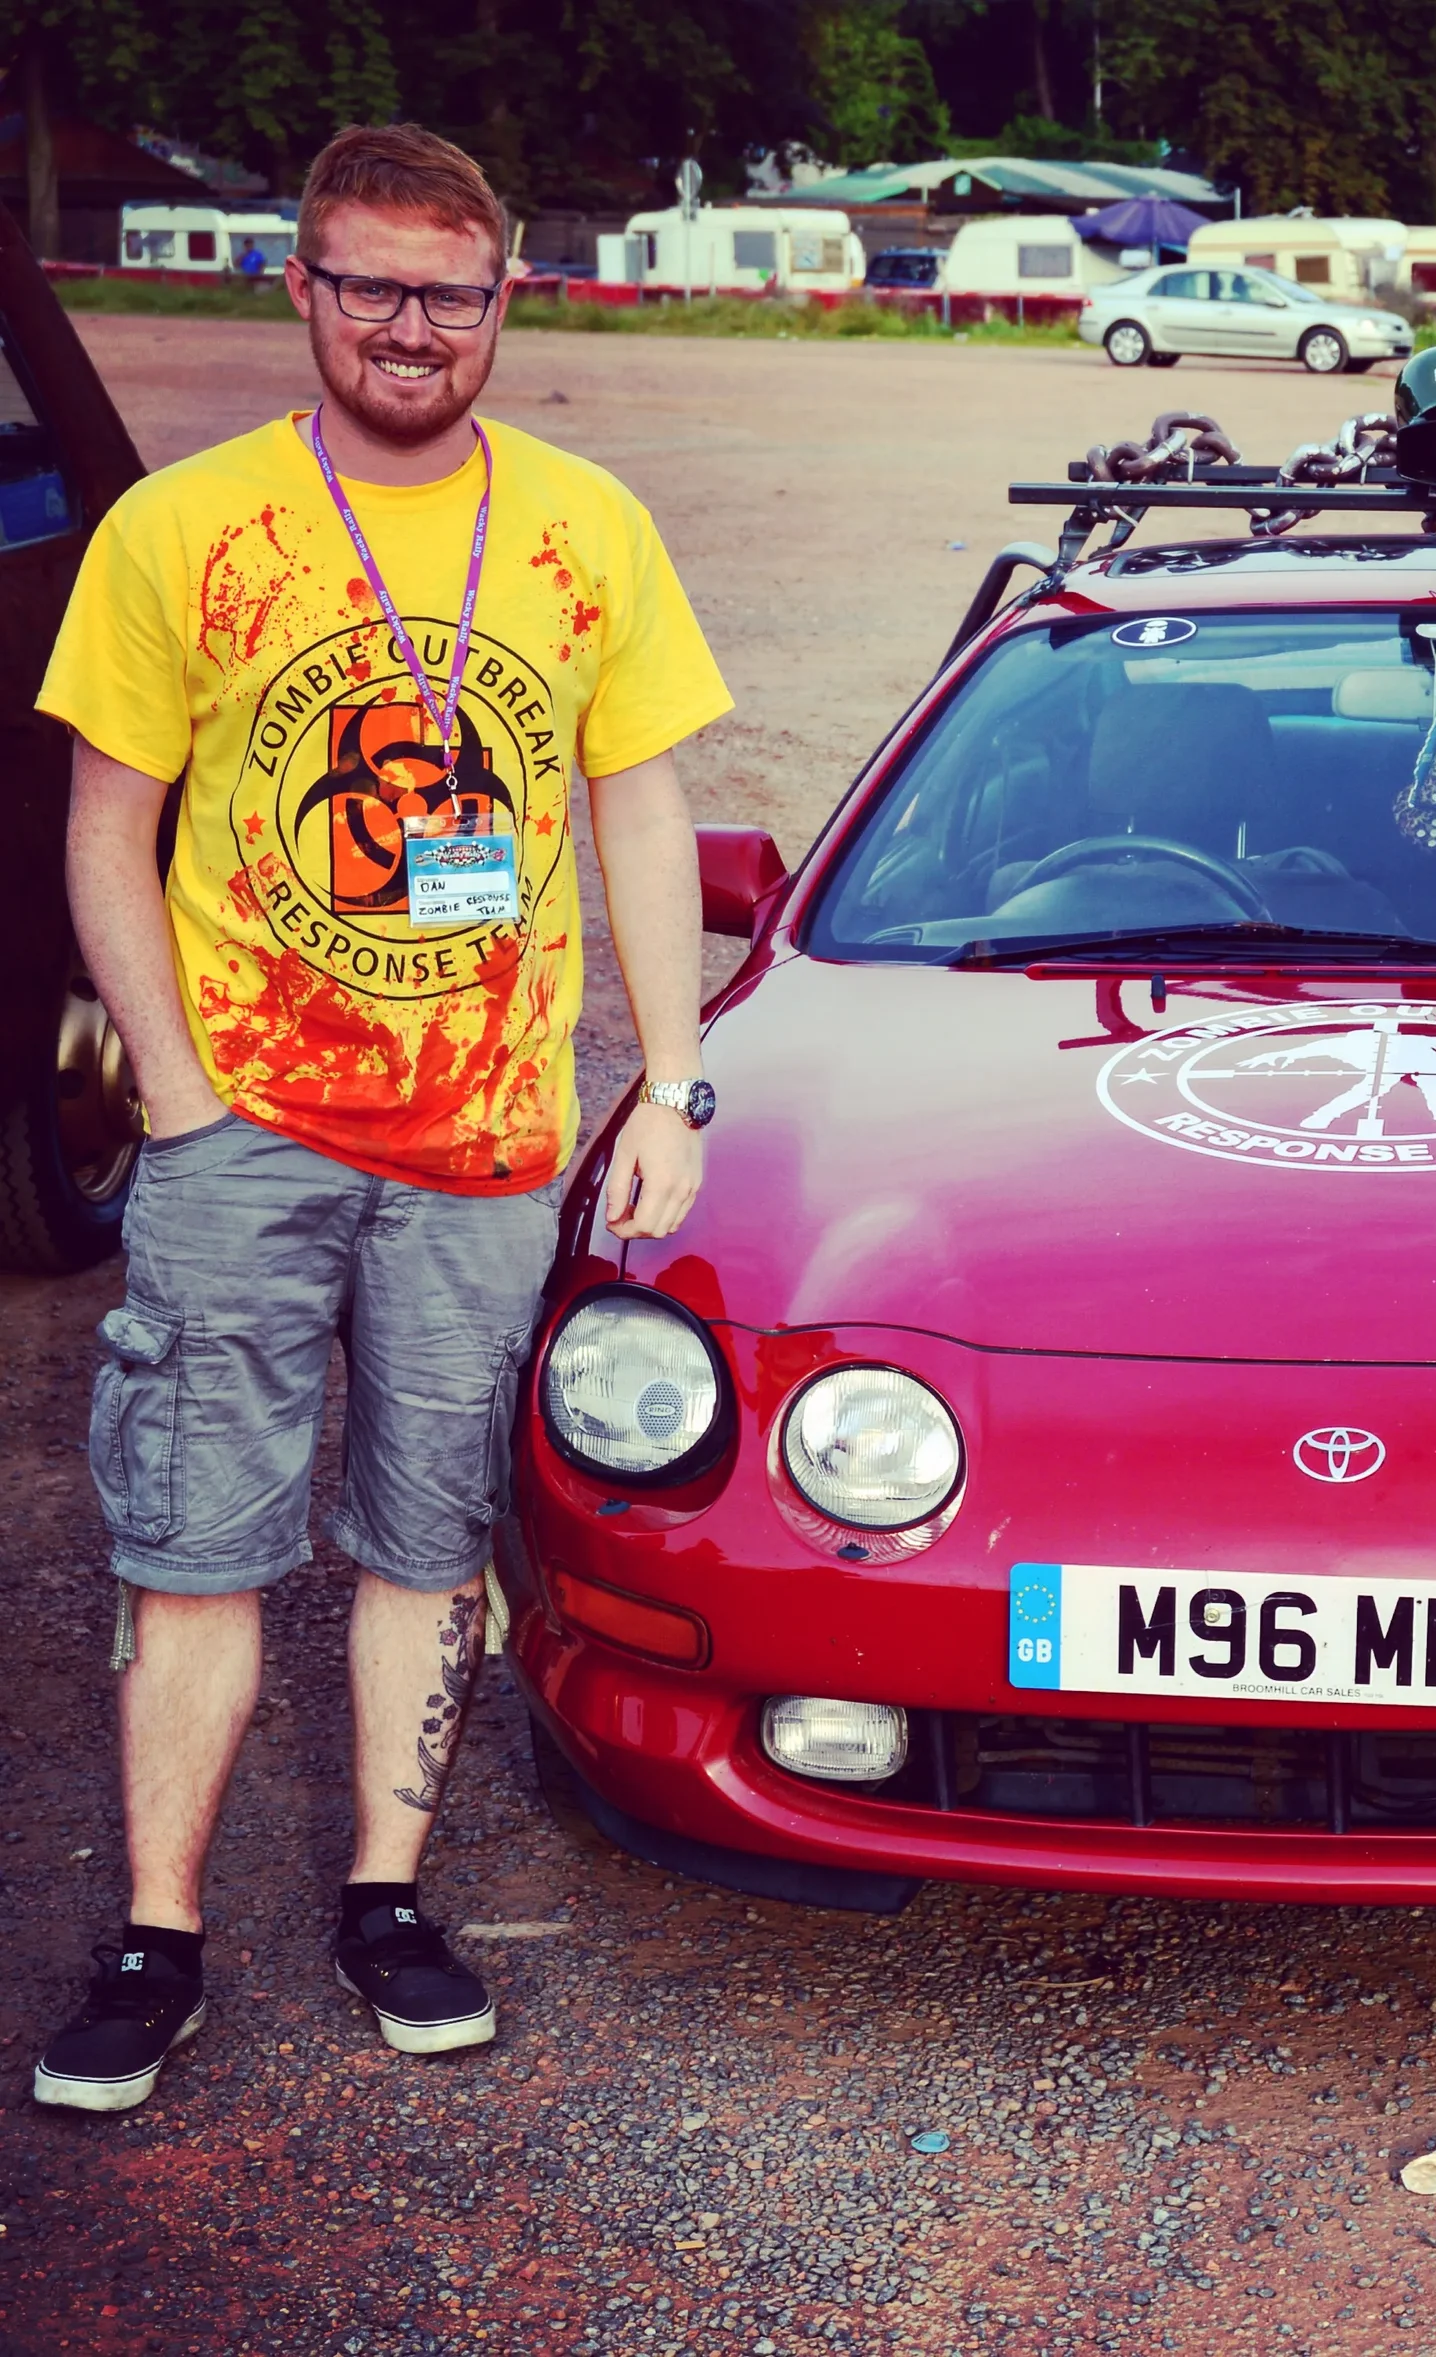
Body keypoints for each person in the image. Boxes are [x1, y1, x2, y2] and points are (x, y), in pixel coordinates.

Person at [31, 122, 731, 2112]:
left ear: (506, 296)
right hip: (241, 1123)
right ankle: (155, 1931)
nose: (410, 326)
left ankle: (385, 1893)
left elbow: (642, 804)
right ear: (303, 291)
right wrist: (171, 1088)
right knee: (195, 1539)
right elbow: (109, 825)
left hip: (490, 1140)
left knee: (428, 1538)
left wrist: (667, 1077)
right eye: (369, 284)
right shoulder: (185, 529)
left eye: (449, 289)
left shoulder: (587, 525)